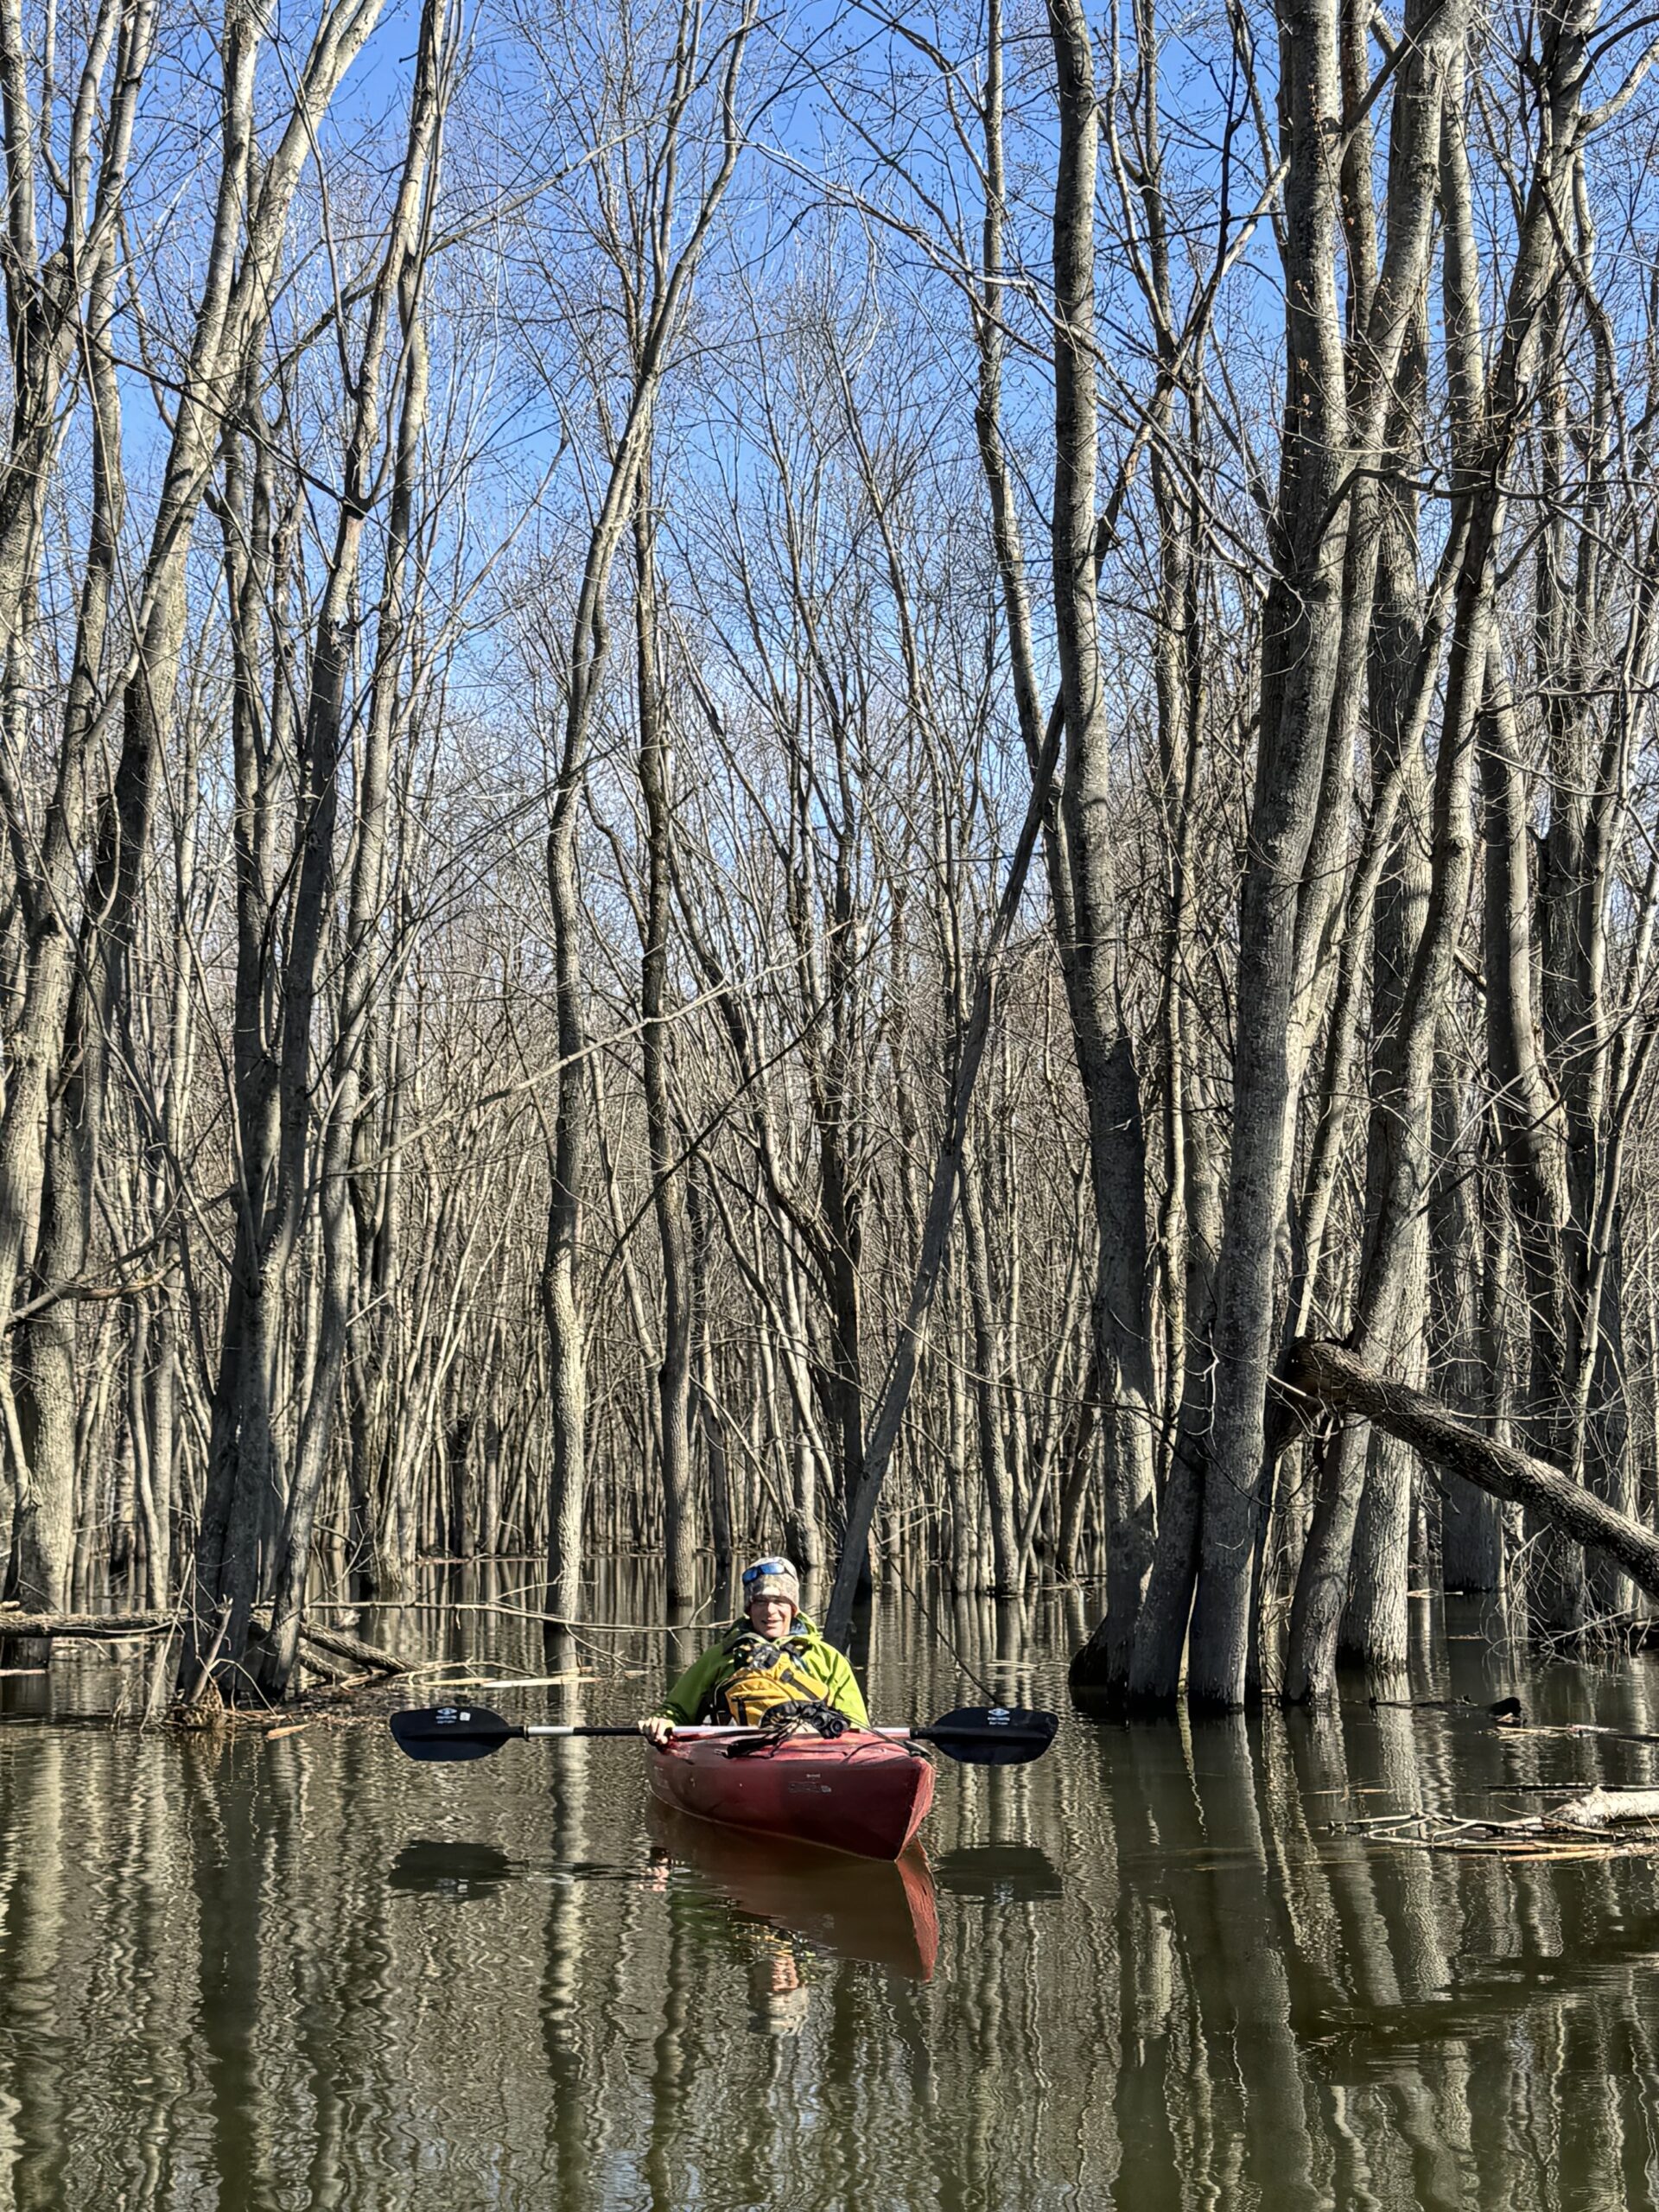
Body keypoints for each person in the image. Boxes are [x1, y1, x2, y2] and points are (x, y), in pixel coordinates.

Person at [638, 1555, 868, 1744]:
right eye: (760, 1601)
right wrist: (663, 1723)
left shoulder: (828, 1659)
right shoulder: (720, 1656)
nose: (770, 1611)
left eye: (779, 1601)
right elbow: (675, 1711)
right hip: (734, 1756)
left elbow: (857, 1725)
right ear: (749, 1608)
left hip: (811, 1755)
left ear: (793, 1609)